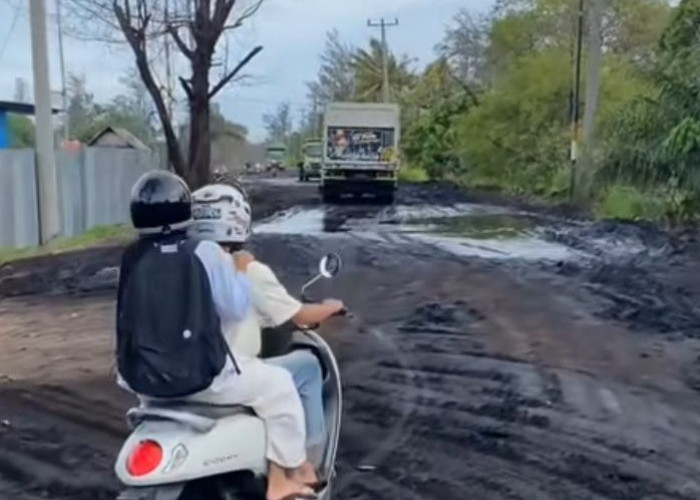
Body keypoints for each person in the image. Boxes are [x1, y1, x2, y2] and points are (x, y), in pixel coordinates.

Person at [116, 170, 316, 500]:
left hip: (145, 383)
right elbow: (236, 309)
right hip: (202, 379)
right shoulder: (205, 253)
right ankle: (282, 480)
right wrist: (237, 270)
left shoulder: (132, 257)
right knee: (279, 386)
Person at [190, 181, 345, 488]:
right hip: (225, 373)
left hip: (182, 373)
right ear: (237, 220)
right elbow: (297, 315)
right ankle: (305, 465)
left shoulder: (181, 262)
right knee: (307, 368)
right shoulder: (246, 269)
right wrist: (331, 307)